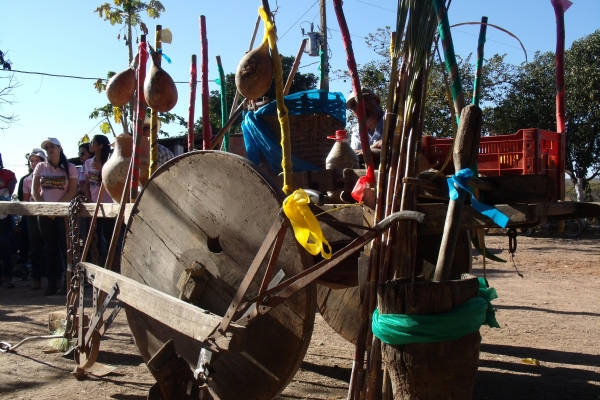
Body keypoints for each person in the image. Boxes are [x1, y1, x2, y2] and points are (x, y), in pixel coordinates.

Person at [32, 138, 78, 295]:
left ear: (60, 148)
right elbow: (34, 191)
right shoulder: (40, 166)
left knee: (67, 248)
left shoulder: (70, 167)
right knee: (50, 248)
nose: (49, 149)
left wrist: (56, 209)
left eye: (52, 146)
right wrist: (45, 209)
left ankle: (68, 283)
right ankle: (52, 282)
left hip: (64, 213)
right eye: (47, 147)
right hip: (45, 214)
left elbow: (72, 191)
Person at [85, 134, 121, 270]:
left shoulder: (111, 162)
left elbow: (115, 182)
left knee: (110, 237)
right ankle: (99, 266)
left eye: (92, 142)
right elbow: (87, 184)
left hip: (108, 204)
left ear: (100, 146)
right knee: (96, 238)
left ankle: (114, 266)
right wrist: (88, 199)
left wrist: (102, 169)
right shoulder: (88, 163)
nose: (90, 144)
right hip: (94, 204)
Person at [23, 149, 47, 290]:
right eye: (32, 161)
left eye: (37, 160)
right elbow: (26, 200)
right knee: (35, 247)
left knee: (52, 247)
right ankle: (36, 278)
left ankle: (55, 278)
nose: (34, 163)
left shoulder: (50, 175)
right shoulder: (26, 180)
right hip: (33, 216)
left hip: (50, 214)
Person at [346, 88, 384, 163]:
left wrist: (364, 152)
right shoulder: (357, 130)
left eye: (363, 101)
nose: (359, 108)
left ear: (376, 101)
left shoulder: (394, 121)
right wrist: (375, 147)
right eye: (354, 106)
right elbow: (354, 155)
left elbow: (398, 151)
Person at [0, 153, 17, 288]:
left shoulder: (8, 174)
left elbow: (8, 194)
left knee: (4, 243)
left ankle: (8, 276)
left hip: (3, 216)